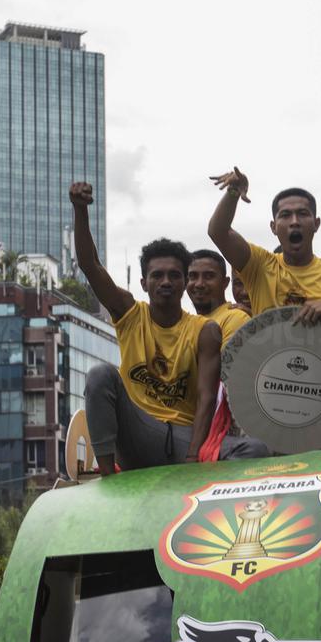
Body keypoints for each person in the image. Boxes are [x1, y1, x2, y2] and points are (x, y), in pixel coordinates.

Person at [69, 182, 269, 474]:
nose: (165, 282)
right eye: (157, 275)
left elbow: (206, 398)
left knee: (255, 450)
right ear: (143, 283)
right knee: (101, 375)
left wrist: (192, 461)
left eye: (174, 275)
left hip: (181, 439)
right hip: (135, 434)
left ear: (184, 282)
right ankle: (109, 475)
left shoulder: (205, 331)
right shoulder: (129, 314)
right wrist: (80, 211)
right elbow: (90, 265)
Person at [208, 167, 321, 326]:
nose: (294, 222)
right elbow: (218, 232)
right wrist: (233, 192)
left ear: (316, 224)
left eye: (303, 214)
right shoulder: (260, 266)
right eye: (285, 215)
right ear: (273, 227)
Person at [188, 249, 250, 346]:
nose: (199, 284)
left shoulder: (235, 318)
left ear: (225, 283)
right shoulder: (187, 324)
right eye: (193, 276)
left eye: (209, 276)